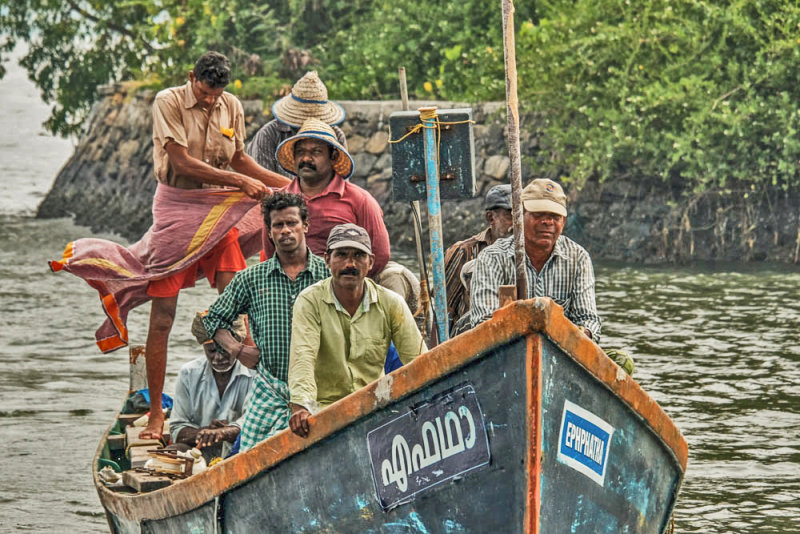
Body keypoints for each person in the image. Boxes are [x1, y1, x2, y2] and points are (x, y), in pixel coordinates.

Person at [203, 192, 329, 450]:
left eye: (292, 223)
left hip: (321, 387)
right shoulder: (251, 279)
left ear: (305, 226)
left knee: (316, 455)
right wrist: (238, 350)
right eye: (278, 225)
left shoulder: (327, 274)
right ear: (269, 232)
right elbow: (212, 319)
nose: (285, 231)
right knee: (251, 460)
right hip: (270, 388)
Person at [287, 224, 426, 438]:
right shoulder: (310, 301)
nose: (350, 264)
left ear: (370, 262)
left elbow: (418, 362)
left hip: (376, 407)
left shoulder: (391, 303)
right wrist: (301, 406)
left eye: (358, 256)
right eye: (341, 255)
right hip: (324, 412)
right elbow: (303, 357)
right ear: (327, 259)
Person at [467, 179, 601, 341]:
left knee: (622, 360)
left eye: (554, 217)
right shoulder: (492, 257)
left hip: (561, 352)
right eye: (538, 215)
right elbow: (483, 323)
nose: (547, 222)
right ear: (520, 216)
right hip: (503, 353)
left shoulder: (578, 258)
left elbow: (588, 319)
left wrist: (575, 334)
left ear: (563, 222)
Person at [266, 117, 391, 278]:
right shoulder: (277, 201)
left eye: (316, 152)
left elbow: (380, 254)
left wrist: (350, 283)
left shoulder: (360, 200)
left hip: (345, 282)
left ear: (332, 158)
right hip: (291, 283)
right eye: (300, 152)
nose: (306, 159)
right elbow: (270, 253)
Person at [169, 313, 255, 459]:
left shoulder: (254, 374)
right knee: (171, 452)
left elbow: (254, 423)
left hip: (242, 452)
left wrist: (224, 432)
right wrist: (206, 432)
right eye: (212, 351)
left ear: (237, 344)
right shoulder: (188, 373)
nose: (218, 357)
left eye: (224, 350)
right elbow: (177, 428)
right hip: (200, 451)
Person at [247, 71, 348, 177]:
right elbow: (261, 182)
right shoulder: (269, 134)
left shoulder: (336, 135)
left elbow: (341, 183)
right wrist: (295, 190)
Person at [444, 184, 514, 335]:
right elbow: (444, 312)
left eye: (522, 215)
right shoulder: (464, 251)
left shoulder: (528, 252)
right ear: (491, 217)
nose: (517, 223)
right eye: (510, 216)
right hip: (471, 337)